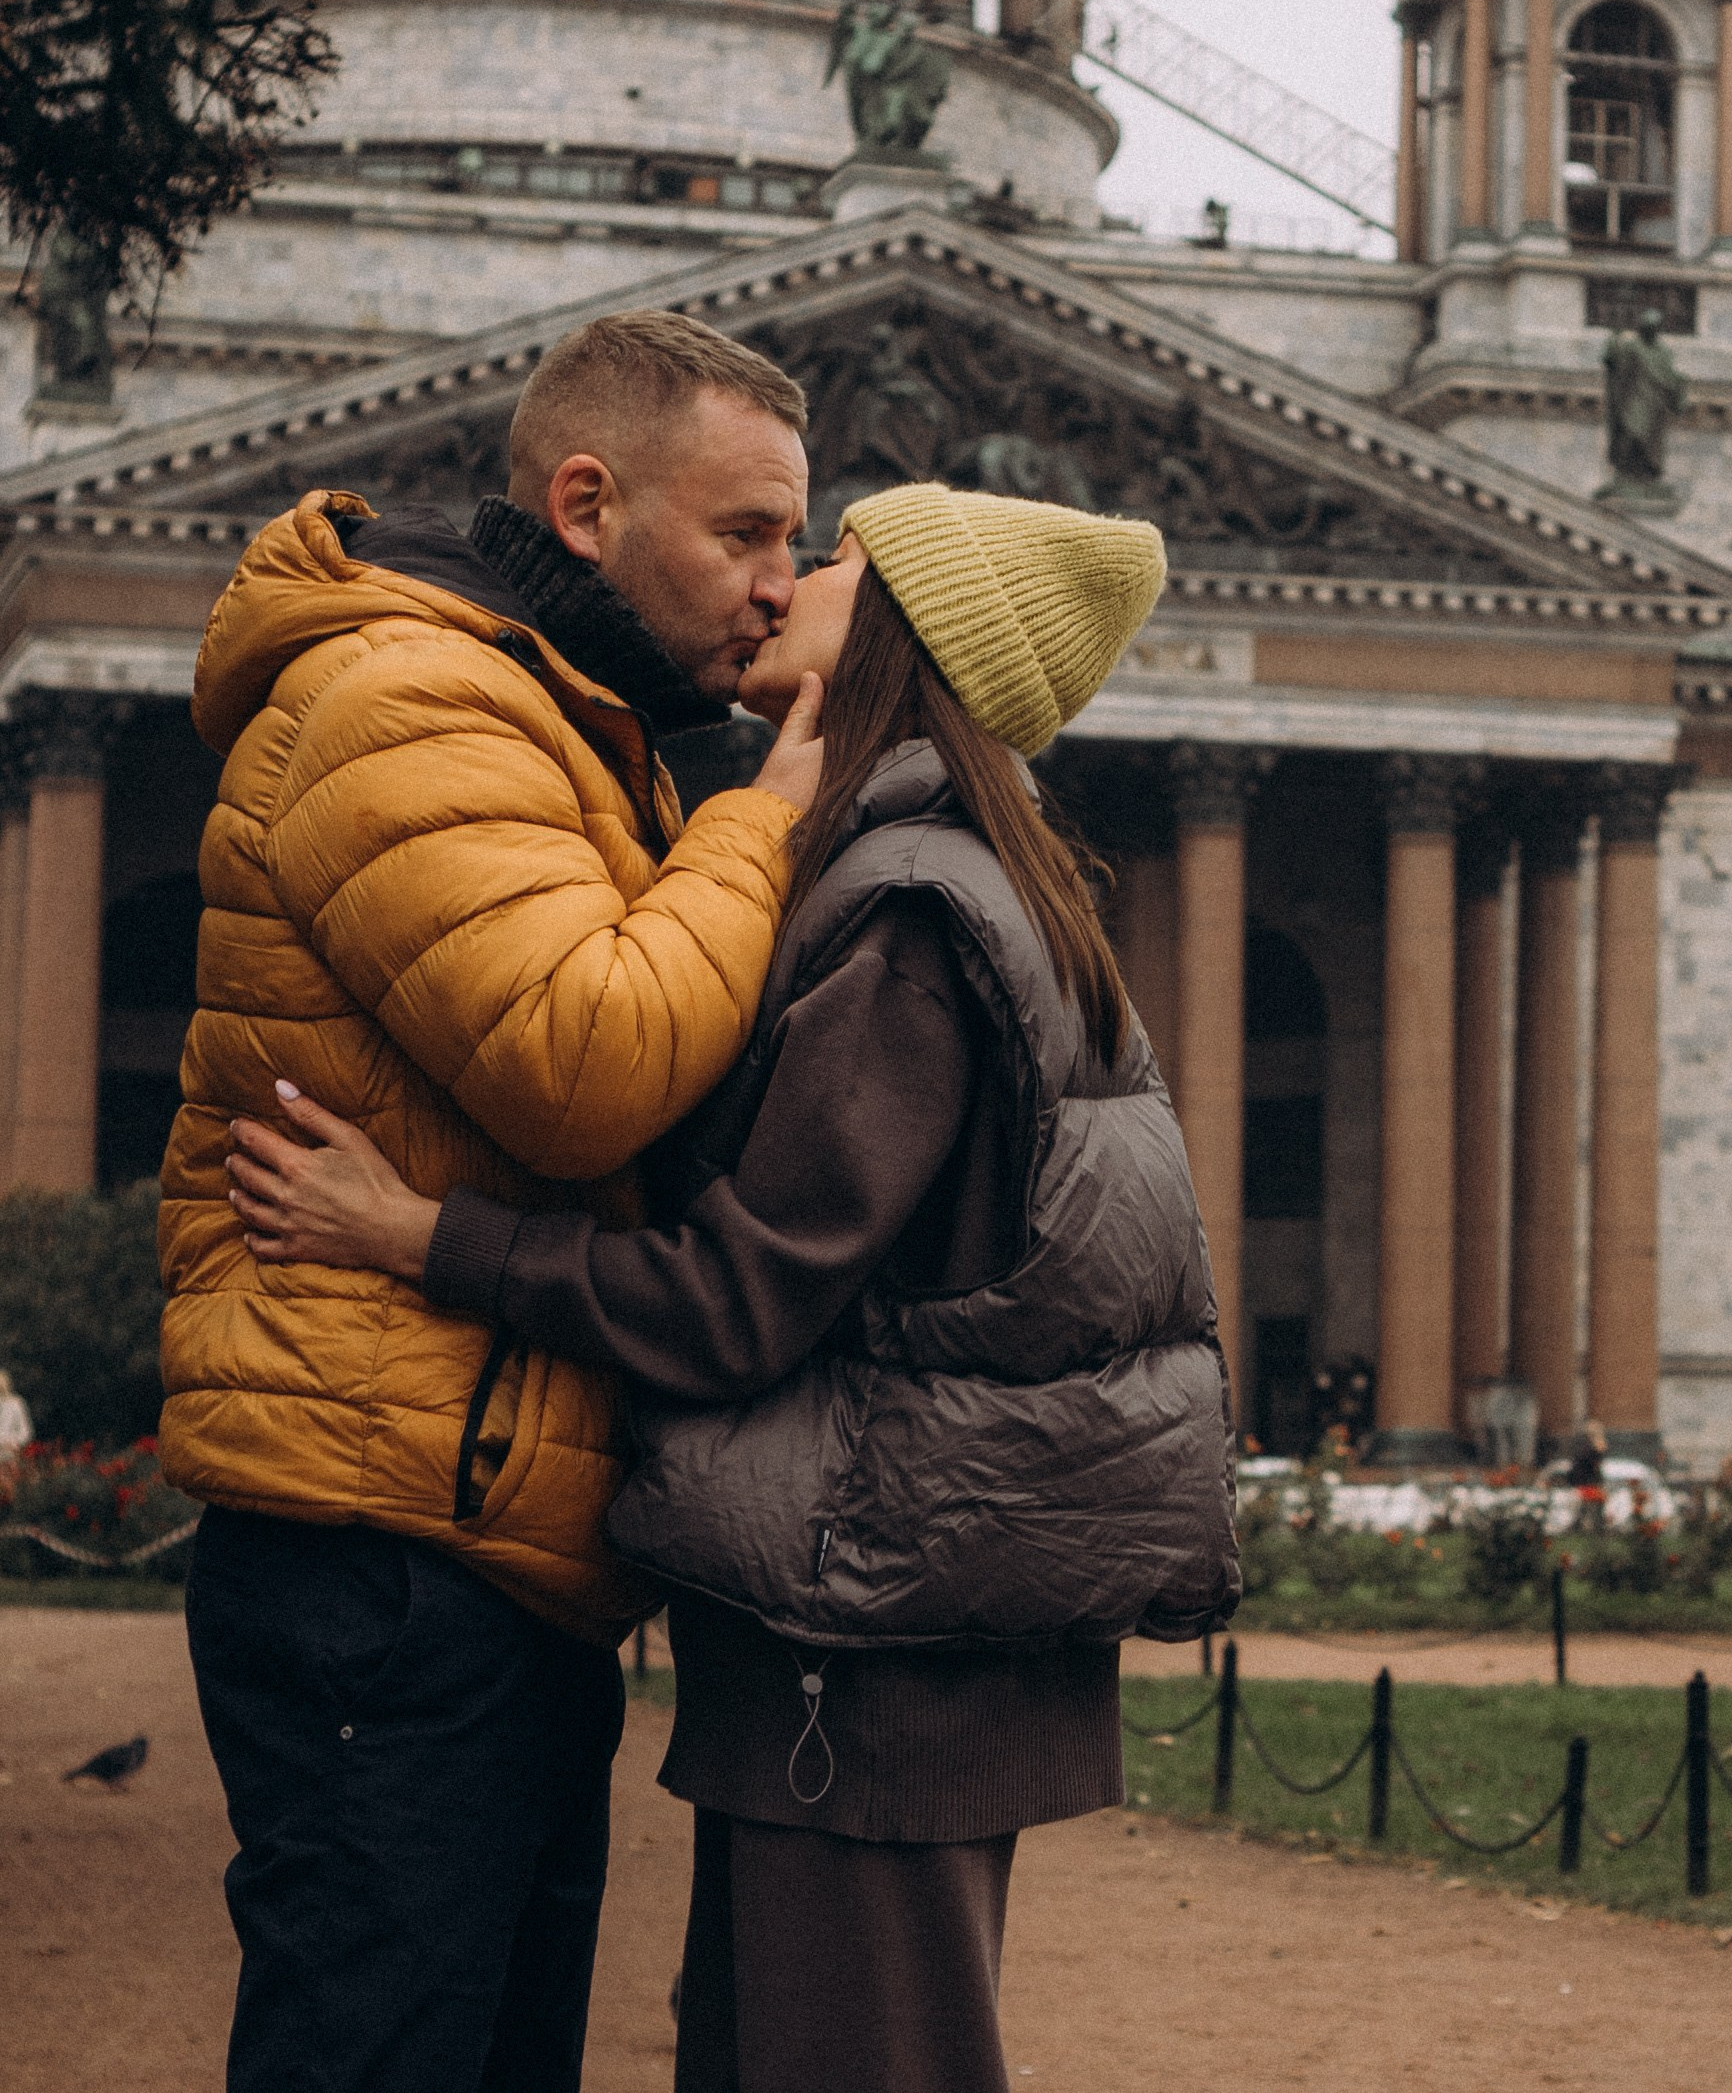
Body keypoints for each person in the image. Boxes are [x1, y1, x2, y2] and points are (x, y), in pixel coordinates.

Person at [225, 485, 1240, 2093]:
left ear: (902, 625)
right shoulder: (949, 879)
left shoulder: (906, 912)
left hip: (866, 1658)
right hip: (872, 1644)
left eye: (833, 558)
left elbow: (737, 1298)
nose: (788, 585)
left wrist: (424, 1237)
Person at [163, 309, 827, 2093]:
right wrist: (770, 814)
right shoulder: (415, 694)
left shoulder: (547, 705)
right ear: (592, 502)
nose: (786, 585)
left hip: (465, 1517)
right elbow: (588, 1056)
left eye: (800, 541)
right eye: (750, 533)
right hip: (390, 1536)